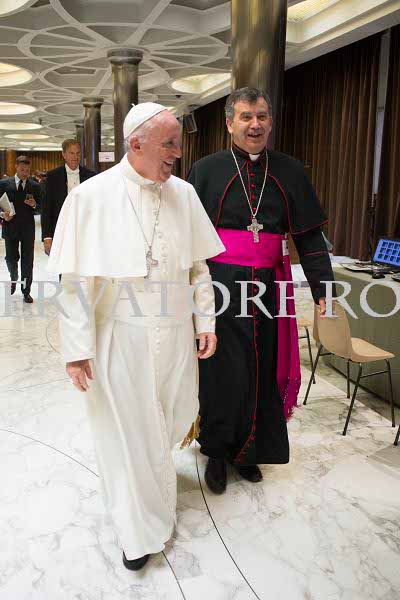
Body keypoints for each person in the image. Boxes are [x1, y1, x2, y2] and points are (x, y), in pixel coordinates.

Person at [47, 103, 225, 570]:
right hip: (121, 338)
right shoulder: (91, 196)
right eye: (169, 144)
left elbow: (198, 268)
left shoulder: (184, 194)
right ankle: (137, 532)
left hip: (176, 336)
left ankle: (156, 504)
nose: (177, 153)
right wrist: (76, 350)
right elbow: (75, 283)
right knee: (127, 435)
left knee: (168, 424)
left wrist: (205, 322)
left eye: (178, 143)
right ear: (136, 144)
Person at [187, 87, 335, 494]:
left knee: (261, 369)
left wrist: (324, 287)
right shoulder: (205, 170)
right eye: (247, 117)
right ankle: (217, 451)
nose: (255, 125)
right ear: (229, 123)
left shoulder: (290, 171)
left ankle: (249, 452)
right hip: (218, 285)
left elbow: (310, 236)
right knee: (220, 370)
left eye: (263, 117)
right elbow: (187, 238)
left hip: (269, 288)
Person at [41, 138, 95, 256]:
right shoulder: (52, 176)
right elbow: (46, 208)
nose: (75, 156)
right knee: (63, 263)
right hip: (60, 229)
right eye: (71, 153)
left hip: (85, 230)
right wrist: (47, 237)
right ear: (64, 155)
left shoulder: (91, 176)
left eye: (78, 153)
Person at [0, 155, 42, 303]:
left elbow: (41, 208)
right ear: (16, 167)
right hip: (9, 227)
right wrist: (2, 214)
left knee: (27, 262)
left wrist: (34, 205)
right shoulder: (3, 184)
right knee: (11, 259)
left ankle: (26, 291)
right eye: (22, 169)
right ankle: (14, 277)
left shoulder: (35, 186)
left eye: (27, 170)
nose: (25, 173)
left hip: (27, 229)